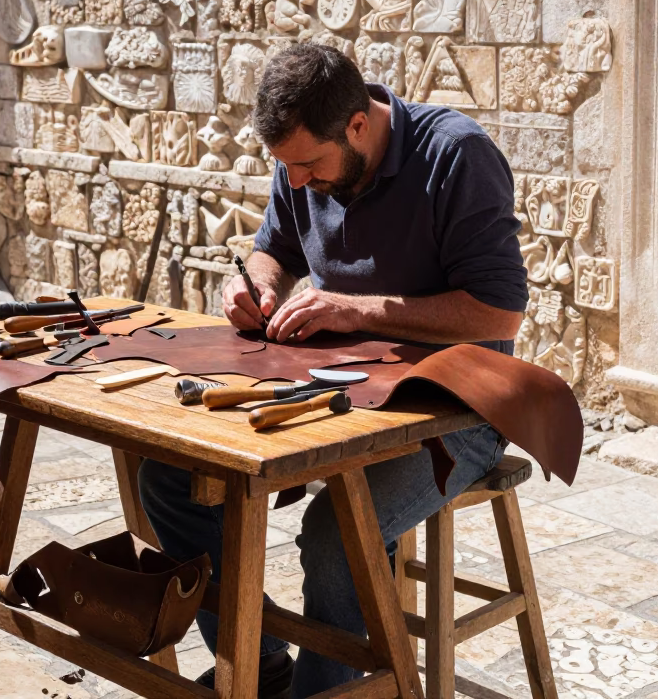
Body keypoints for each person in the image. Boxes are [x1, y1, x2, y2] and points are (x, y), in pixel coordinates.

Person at [138, 43, 528, 698]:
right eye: (286, 168)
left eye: (307, 166)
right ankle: (259, 668)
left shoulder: (455, 155)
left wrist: (352, 309)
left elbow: (499, 315)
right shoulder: (305, 161)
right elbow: (273, 251)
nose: (296, 182)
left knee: (334, 531)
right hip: (343, 392)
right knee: (171, 478)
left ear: (357, 126)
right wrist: (256, 289)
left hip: (460, 407)